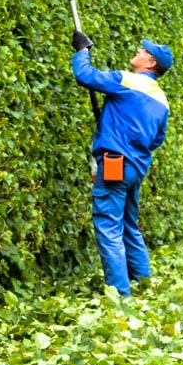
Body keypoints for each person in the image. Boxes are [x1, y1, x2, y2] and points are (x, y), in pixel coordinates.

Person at [70, 31, 173, 296]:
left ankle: (121, 296)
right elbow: (157, 139)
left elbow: (86, 76)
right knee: (129, 223)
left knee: (108, 225)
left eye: (143, 52)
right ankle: (143, 284)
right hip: (136, 168)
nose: (138, 51)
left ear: (150, 63)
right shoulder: (162, 101)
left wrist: (82, 51)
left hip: (114, 163)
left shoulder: (127, 80)